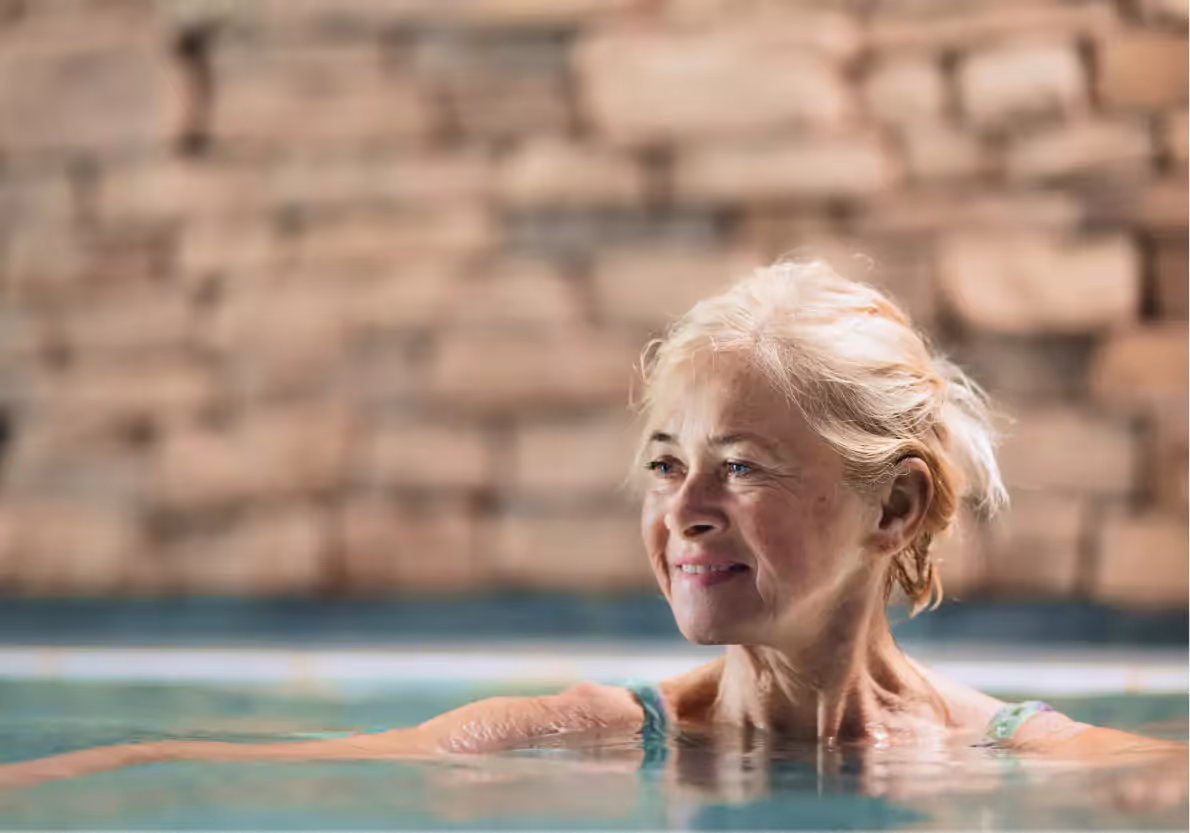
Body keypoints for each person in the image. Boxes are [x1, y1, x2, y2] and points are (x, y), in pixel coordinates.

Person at [0, 259, 1184, 795]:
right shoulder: (584, 735)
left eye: (741, 467)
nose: (681, 510)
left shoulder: (1024, 759)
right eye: (666, 463)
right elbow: (246, 766)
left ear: (899, 503)